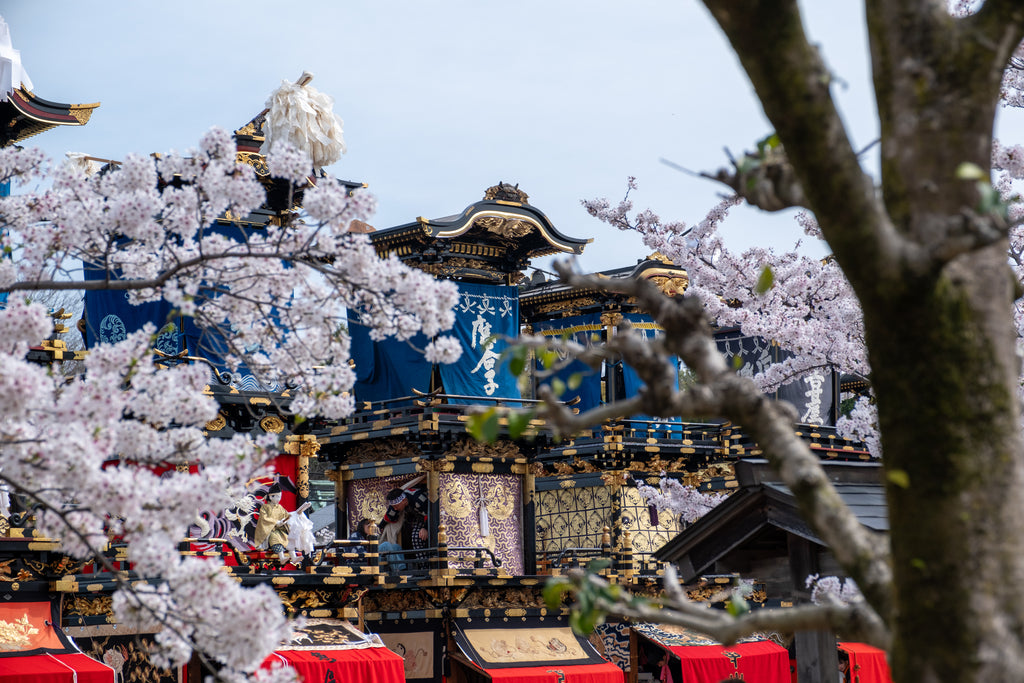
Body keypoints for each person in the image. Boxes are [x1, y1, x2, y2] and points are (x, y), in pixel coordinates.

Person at [378, 485, 429, 571]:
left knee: (416, 538)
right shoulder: (397, 503)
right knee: (413, 537)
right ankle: (421, 567)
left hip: (428, 518)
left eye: (396, 506)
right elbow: (390, 514)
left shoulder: (418, 498)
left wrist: (425, 528)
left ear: (404, 501)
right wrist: (381, 526)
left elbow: (430, 513)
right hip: (416, 518)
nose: (395, 508)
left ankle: (425, 567)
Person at [253, 483, 290, 562]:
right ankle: (282, 558)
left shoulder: (280, 507)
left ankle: (293, 556)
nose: (279, 499)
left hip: (279, 530)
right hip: (269, 531)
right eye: (277, 496)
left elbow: (286, 515)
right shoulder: (265, 507)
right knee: (275, 539)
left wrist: (286, 520)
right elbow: (264, 518)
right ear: (271, 497)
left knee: (288, 539)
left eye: (280, 497)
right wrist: (276, 522)